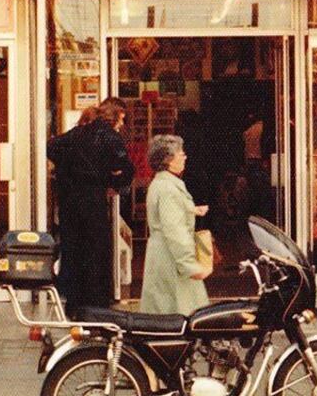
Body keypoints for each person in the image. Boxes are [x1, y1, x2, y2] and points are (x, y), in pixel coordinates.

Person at [47, 98, 135, 318]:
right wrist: (113, 183)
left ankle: (74, 304)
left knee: (73, 250)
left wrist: (65, 173)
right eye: (122, 118)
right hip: (93, 199)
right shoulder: (109, 136)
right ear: (116, 115)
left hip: (69, 202)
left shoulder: (76, 133)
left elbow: (51, 148)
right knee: (96, 251)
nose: (122, 124)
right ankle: (96, 305)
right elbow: (126, 168)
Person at [139, 135, 211, 315]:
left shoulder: (162, 184)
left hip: (164, 255)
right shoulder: (168, 189)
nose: (185, 156)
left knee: (163, 312)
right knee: (180, 315)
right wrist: (190, 265)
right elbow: (174, 231)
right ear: (168, 160)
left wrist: (191, 210)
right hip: (172, 259)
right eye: (181, 153)